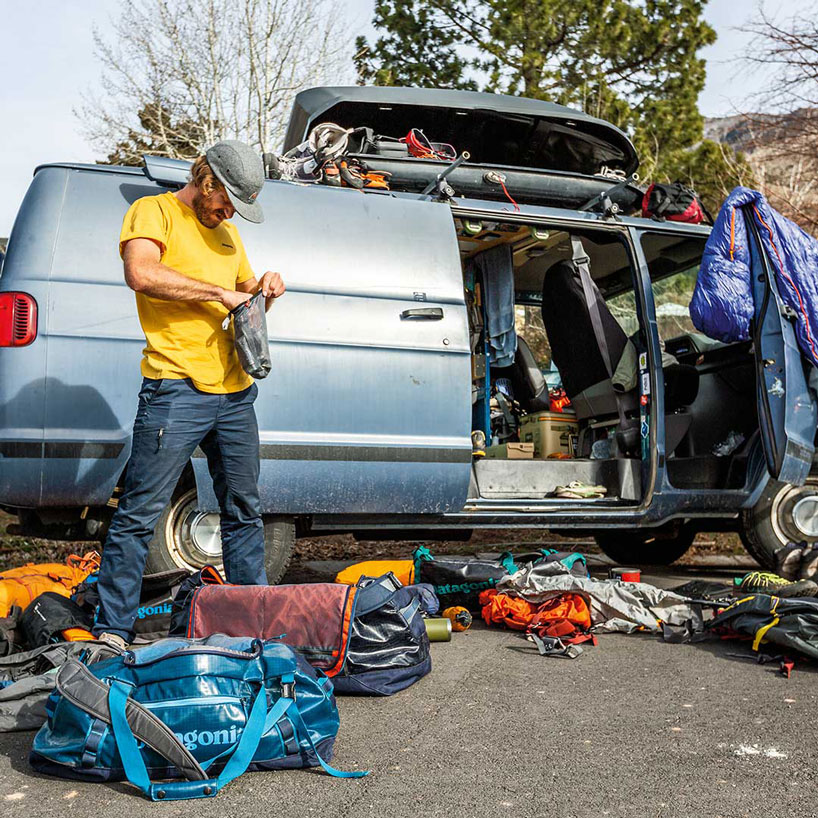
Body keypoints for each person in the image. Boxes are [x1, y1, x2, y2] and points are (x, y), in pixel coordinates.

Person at [93, 140, 285, 649]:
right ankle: (113, 631)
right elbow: (141, 273)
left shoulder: (229, 236)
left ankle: (251, 626)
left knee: (244, 508)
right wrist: (217, 292)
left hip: (235, 393)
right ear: (207, 180)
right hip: (175, 388)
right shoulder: (153, 212)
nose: (229, 213)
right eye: (227, 201)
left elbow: (246, 300)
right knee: (140, 513)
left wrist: (264, 287)